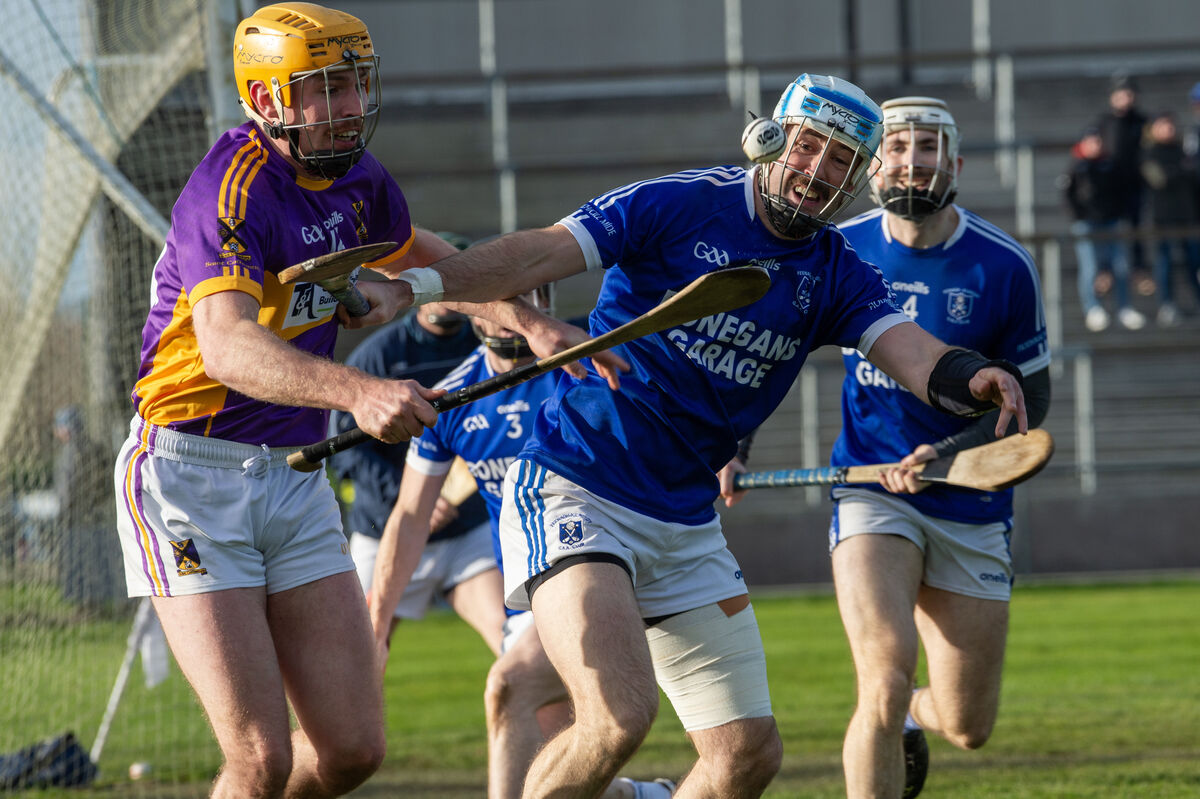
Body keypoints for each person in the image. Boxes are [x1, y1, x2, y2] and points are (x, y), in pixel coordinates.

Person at [344, 72, 1029, 799]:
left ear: (857, 179)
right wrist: (418, 287)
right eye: (808, 148)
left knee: (747, 755)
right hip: (579, 483)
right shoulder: (680, 202)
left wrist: (971, 377)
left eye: (839, 162)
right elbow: (537, 253)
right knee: (615, 717)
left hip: (685, 518)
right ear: (772, 140)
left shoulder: (837, 272)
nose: (816, 171)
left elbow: (912, 353)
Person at [109, 7, 595, 797]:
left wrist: (530, 322)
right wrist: (361, 392)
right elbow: (228, 346)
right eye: (323, 89)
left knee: (352, 750)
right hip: (188, 478)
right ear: (266, 100)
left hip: (293, 475)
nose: (347, 105)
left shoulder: (359, 180)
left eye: (354, 84)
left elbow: (427, 258)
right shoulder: (231, 189)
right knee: (260, 760)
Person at [831, 97, 1052, 799]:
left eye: (927, 149)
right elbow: (770, 345)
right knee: (884, 676)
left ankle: (916, 718)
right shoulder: (839, 249)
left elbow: (1033, 403)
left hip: (971, 500)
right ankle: (894, 711)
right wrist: (733, 443)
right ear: (874, 166)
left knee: (967, 723)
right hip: (870, 488)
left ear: (953, 163)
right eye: (897, 148)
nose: (912, 162)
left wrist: (949, 453)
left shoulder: (1003, 265)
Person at [369, 295, 675, 798]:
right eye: (502, 300)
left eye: (528, 297)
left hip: (605, 565)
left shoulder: (587, 364)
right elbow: (409, 517)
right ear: (473, 312)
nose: (514, 312)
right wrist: (376, 628)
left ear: (549, 300)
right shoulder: (452, 399)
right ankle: (644, 795)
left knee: (511, 687)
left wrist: (723, 453)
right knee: (561, 751)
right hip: (530, 595)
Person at [1061, 127, 1145, 331]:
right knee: (1090, 267)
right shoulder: (1076, 167)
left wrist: (1118, 213)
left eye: (1098, 141)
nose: (1096, 146)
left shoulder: (1111, 165)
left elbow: (1122, 192)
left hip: (1111, 221)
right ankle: (1093, 308)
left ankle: (1124, 308)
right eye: (1091, 142)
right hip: (1087, 223)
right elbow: (1068, 196)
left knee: (1120, 266)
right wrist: (1079, 216)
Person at [1092, 71, 1154, 299]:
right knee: (1108, 232)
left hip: (1135, 185)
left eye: (1129, 93)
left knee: (1136, 228)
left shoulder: (1143, 122)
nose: (1126, 98)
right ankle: (1104, 271)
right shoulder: (1104, 123)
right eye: (1121, 94)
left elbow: (1151, 151)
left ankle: (1140, 270)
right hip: (1110, 188)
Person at [1139, 111, 1200, 327]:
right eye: (1163, 125)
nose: (1168, 129)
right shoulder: (1148, 154)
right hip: (1161, 220)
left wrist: (1179, 171)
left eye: (1171, 125)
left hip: (1188, 218)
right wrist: (1182, 171)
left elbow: (1193, 179)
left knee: (1194, 262)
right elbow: (1158, 179)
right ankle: (1167, 305)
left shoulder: (1184, 151)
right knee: (1164, 263)